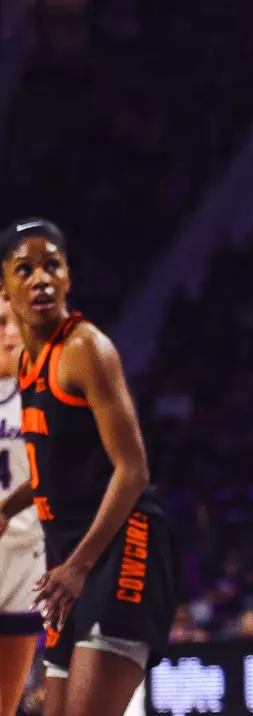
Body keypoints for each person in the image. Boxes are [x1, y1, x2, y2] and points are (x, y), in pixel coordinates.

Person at [0, 219, 177, 716]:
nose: (41, 278)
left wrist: (78, 566)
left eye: (52, 265)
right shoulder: (31, 364)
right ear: (6, 290)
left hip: (122, 543)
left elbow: (133, 469)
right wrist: (10, 507)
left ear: (68, 278)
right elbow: (56, 469)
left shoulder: (85, 349)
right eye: (25, 269)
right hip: (72, 558)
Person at [0, 301, 43, 716]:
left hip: (25, 553)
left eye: (18, 323)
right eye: (1, 324)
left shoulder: (48, 390)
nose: (11, 333)